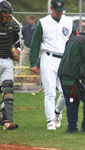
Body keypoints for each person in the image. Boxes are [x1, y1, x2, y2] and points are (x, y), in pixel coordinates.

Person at [29, 0, 77, 130]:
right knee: (50, 91)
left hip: (65, 59)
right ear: (51, 8)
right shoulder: (42, 22)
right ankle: (50, 120)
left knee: (66, 91)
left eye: (61, 10)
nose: (60, 12)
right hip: (48, 57)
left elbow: (75, 39)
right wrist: (33, 62)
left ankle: (57, 112)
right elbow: (35, 43)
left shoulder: (68, 21)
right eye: (57, 10)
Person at [58, 22, 85, 133]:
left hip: (63, 75)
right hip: (76, 76)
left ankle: (71, 128)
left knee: (72, 101)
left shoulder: (72, 39)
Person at [0, 0, 20, 130]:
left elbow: (17, 41)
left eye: (9, 15)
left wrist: (17, 50)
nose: (8, 17)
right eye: (6, 15)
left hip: (7, 61)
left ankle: (8, 121)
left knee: (8, 91)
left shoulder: (12, 26)